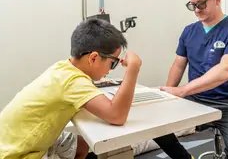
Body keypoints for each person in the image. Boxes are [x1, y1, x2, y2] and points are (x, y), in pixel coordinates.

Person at [0, 19, 142, 159]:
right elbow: (117, 116)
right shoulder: (73, 81)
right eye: (113, 63)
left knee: (82, 145)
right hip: (16, 153)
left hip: (11, 140)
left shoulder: (63, 68)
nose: (112, 69)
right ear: (93, 58)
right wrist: (133, 67)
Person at [153, 0, 228, 159]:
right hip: (195, 98)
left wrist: (183, 90)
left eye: (201, 4)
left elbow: (226, 70)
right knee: (154, 125)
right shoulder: (189, 31)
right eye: (192, 4)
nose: (196, 9)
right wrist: (168, 95)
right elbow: (178, 65)